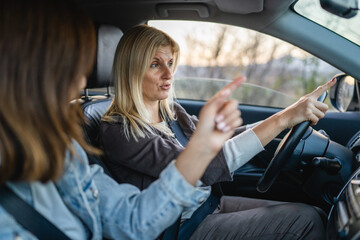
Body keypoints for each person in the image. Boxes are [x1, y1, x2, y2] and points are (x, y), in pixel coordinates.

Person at [0, 1, 245, 239]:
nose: (81, 83)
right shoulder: (117, 127)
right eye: (72, 68)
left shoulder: (61, 149)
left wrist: (202, 147)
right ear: (28, 71)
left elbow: (132, 223)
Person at [100, 24, 336, 239]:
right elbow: (200, 166)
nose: (169, 74)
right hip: (181, 228)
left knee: (316, 212)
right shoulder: (121, 131)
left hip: (208, 206)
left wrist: (289, 116)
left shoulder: (171, 112)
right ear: (131, 71)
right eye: (155, 64)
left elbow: (223, 139)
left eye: (170, 63)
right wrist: (282, 120)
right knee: (306, 222)